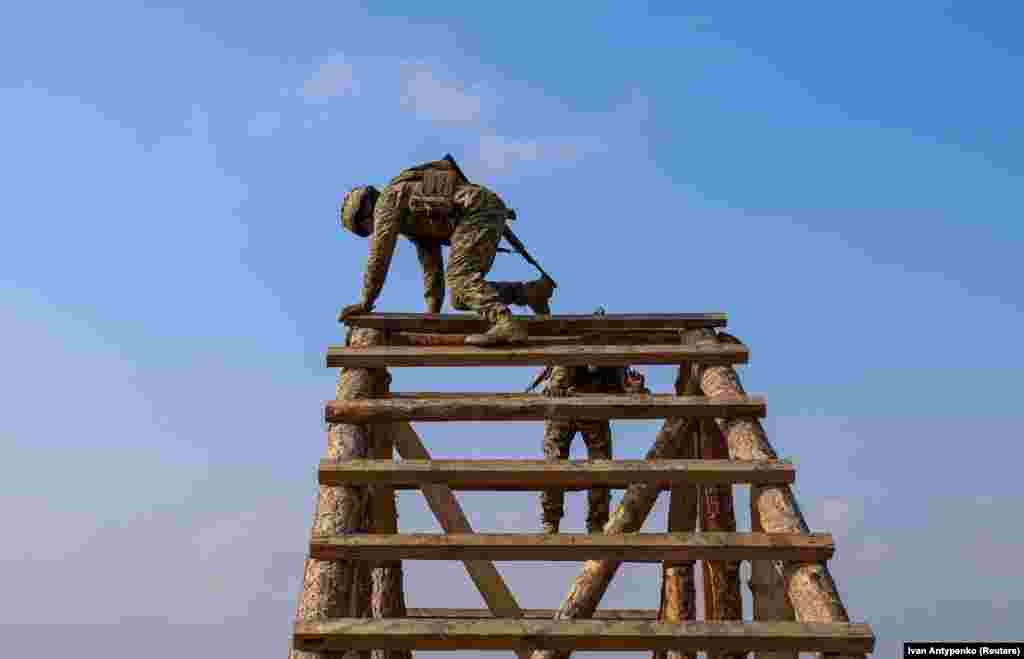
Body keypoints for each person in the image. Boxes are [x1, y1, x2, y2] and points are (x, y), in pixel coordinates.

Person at [338, 157, 555, 345]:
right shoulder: (409, 219)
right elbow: (431, 264)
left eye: (364, 230)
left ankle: (505, 323)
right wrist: (432, 315)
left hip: (475, 210)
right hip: (479, 210)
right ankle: (531, 292)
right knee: (459, 298)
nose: (371, 232)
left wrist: (366, 301)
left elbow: (379, 256)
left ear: (365, 213)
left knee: (460, 279)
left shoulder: (387, 202)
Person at [531, 322, 650, 533]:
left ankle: (597, 523)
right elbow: (554, 390)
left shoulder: (614, 363)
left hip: (594, 411)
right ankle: (551, 520)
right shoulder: (568, 358)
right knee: (554, 465)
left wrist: (637, 389)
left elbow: (631, 393)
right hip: (564, 412)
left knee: (601, 469)